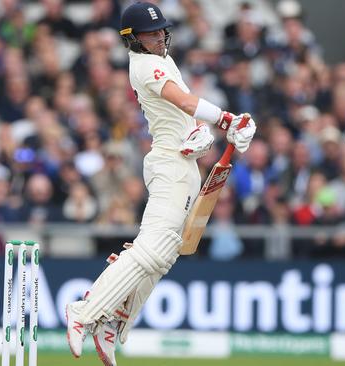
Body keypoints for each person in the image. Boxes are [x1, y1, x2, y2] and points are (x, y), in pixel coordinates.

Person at [64, 3, 256, 365]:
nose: (159, 37)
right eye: (151, 33)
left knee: (164, 256)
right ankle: (84, 310)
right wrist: (227, 119)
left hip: (184, 165)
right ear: (132, 38)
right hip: (169, 164)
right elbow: (184, 100)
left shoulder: (162, 59)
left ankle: (114, 322)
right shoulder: (144, 65)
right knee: (152, 249)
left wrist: (217, 130)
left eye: (160, 31)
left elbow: (184, 114)